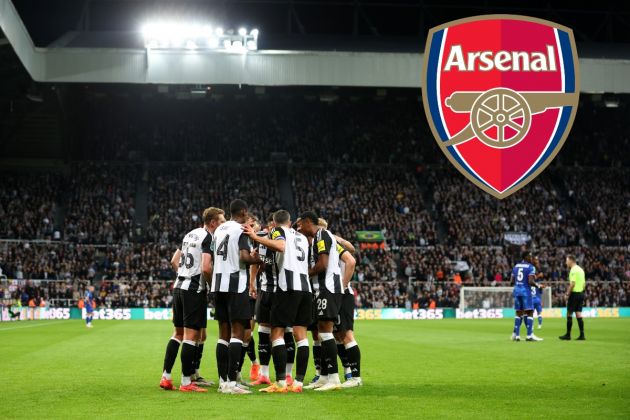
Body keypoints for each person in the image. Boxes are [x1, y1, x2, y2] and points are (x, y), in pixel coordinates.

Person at [243, 209, 311, 393]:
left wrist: (255, 237)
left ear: (274, 223)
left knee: (277, 333)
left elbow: (280, 246)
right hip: (305, 288)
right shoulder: (302, 237)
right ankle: (298, 383)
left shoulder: (278, 232)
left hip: (287, 287)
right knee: (301, 336)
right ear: (290, 222)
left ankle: (281, 382)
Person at [164, 207, 226, 389]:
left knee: (178, 334)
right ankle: (186, 381)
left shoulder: (189, 235)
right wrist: (212, 286)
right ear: (213, 223)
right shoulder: (209, 238)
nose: (223, 225)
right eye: (222, 222)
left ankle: (166, 376)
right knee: (191, 336)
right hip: (193, 290)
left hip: (179, 286)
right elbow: (206, 268)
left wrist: (184, 274)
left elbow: (174, 261)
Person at [212, 199, 261, 394]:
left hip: (218, 284)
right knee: (237, 333)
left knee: (223, 334)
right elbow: (244, 257)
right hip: (235, 283)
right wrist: (258, 258)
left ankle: (223, 381)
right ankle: (232, 384)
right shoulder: (240, 230)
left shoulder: (219, 230)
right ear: (243, 211)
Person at [299, 211, 344, 391]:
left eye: (301, 225)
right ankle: (324, 376)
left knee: (326, 331)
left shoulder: (322, 235)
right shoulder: (317, 237)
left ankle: (334, 378)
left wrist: (306, 272)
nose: (299, 229)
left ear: (308, 222)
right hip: (320, 289)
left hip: (328, 287)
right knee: (321, 331)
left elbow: (323, 264)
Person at [249, 213, 277, 386]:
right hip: (252, 291)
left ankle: (264, 369)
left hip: (265, 290)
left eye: (256, 227)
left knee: (276, 331)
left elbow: (258, 262)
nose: (254, 230)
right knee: (248, 332)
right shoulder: (244, 239)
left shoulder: (263, 240)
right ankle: (255, 364)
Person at [510, 252, 543, 342]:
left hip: (517, 291)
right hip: (526, 292)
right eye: (530, 256)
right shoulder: (530, 267)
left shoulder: (516, 266)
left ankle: (517, 335)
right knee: (530, 312)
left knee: (518, 313)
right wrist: (539, 286)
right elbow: (531, 282)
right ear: (525, 257)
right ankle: (529, 336)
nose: (531, 258)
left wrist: (518, 283)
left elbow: (511, 282)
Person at [559, 255, 586, 341]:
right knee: (578, 313)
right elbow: (584, 284)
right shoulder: (581, 270)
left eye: (566, 260)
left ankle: (568, 335)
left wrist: (567, 294)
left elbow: (572, 284)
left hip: (574, 294)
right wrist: (581, 292)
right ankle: (582, 335)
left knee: (569, 313)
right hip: (581, 293)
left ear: (571, 260)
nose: (566, 262)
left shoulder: (573, 270)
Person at [531, 256, 545, 329]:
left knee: (531, 314)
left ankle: (532, 326)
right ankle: (539, 325)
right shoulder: (538, 284)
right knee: (539, 313)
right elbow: (540, 292)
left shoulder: (531, 284)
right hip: (537, 299)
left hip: (532, 300)